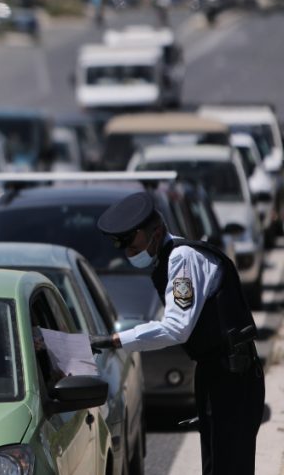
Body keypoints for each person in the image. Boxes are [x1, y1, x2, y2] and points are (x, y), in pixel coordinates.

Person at [90, 191, 264, 475]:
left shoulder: (182, 258)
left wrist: (117, 340)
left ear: (157, 233)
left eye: (134, 246)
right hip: (218, 372)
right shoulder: (170, 259)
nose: (130, 254)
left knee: (228, 466)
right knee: (218, 464)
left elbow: (176, 328)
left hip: (232, 376)